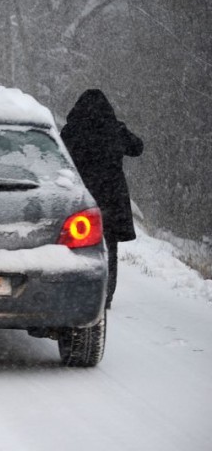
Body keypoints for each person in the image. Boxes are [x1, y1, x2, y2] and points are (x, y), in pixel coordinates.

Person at [61, 89, 144, 309]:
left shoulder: (72, 130)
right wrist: (120, 129)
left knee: (76, 244)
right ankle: (106, 295)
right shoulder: (115, 130)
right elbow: (138, 148)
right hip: (111, 197)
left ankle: (78, 289)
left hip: (82, 196)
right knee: (110, 247)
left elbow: (60, 157)